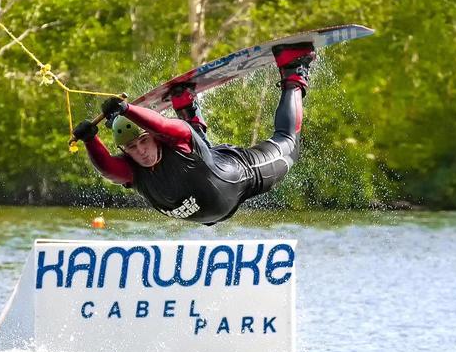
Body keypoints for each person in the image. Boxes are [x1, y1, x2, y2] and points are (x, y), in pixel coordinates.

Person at [72, 44, 316, 225]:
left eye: (144, 141)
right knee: (197, 151)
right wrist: (89, 140)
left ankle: (293, 70)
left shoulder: (174, 135)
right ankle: (184, 103)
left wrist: (127, 109)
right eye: (132, 149)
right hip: (208, 174)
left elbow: (163, 126)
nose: (141, 152)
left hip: (241, 174)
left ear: (154, 137)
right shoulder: (133, 171)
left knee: (288, 144)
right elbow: (106, 168)